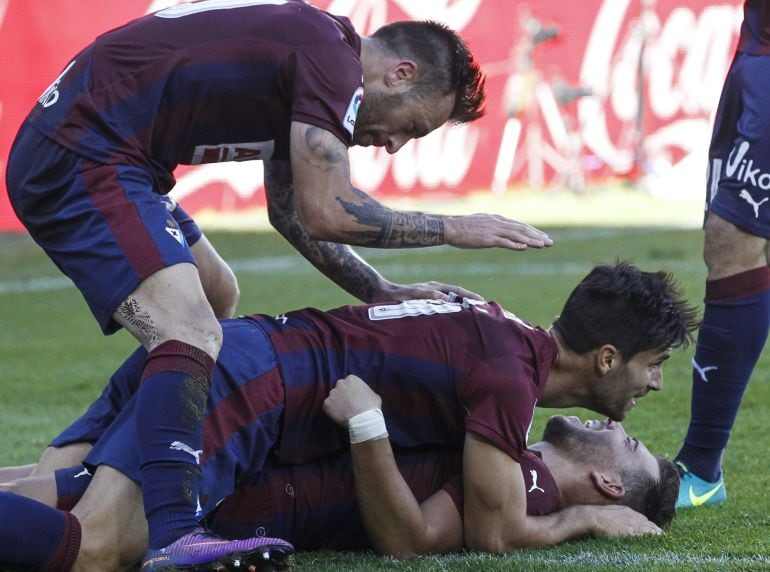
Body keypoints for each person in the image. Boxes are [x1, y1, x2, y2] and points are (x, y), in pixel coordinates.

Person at [4, 1, 554, 568]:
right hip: (84, 153)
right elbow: (328, 210)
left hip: (114, 157)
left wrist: (378, 291)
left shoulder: (313, 59)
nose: (393, 145)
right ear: (401, 73)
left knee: (216, 300)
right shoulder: (330, 61)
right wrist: (456, 227)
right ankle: (176, 532)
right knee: (190, 333)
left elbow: (290, 212)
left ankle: (94, 464)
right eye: (410, 127)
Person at [0, 261, 697, 570]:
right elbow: (491, 533)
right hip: (247, 386)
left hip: (227, 354)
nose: (658, 383)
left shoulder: (499, 327)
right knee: (97, 547)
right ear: (607, 359)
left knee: (56, 485)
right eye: (653, 363)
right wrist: (582, 517)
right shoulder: (510, 377)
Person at [0, 408, 680, 570]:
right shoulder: (510, 444)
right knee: (56, 486)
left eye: (630, 443)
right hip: (256, 455)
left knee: (73, 514)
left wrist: (366, 420)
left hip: (250, 492)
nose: (618, 424)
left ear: (608, 481)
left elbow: (415, 537)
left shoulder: (526, 486)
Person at [673, 0, 770, 509]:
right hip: (756, 50)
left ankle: (703, 466)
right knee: (730, 235)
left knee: (735, 234)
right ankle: (703, 467)